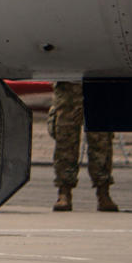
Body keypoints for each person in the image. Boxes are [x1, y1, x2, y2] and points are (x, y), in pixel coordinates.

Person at [50, 81, 116, 212]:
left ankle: (103, 192)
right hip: (68, 84)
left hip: (98, 81)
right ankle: (64, 192)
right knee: (66, 139)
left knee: (101, 138)